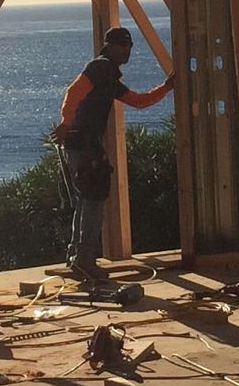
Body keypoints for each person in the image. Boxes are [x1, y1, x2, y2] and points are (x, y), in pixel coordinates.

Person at [50, 25, 172, 282]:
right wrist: (65, 123)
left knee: (87, 199)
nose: (127, 51)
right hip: (83, 143)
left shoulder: (108, 77)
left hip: (82, 143)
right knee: (93, 199)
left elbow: (138, 101)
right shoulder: (100, 67)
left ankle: (77, 258)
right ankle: (84, 261)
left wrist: (167, 87)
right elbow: (73, 92)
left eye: (129, 46)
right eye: (123, 45)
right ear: (111, 46)